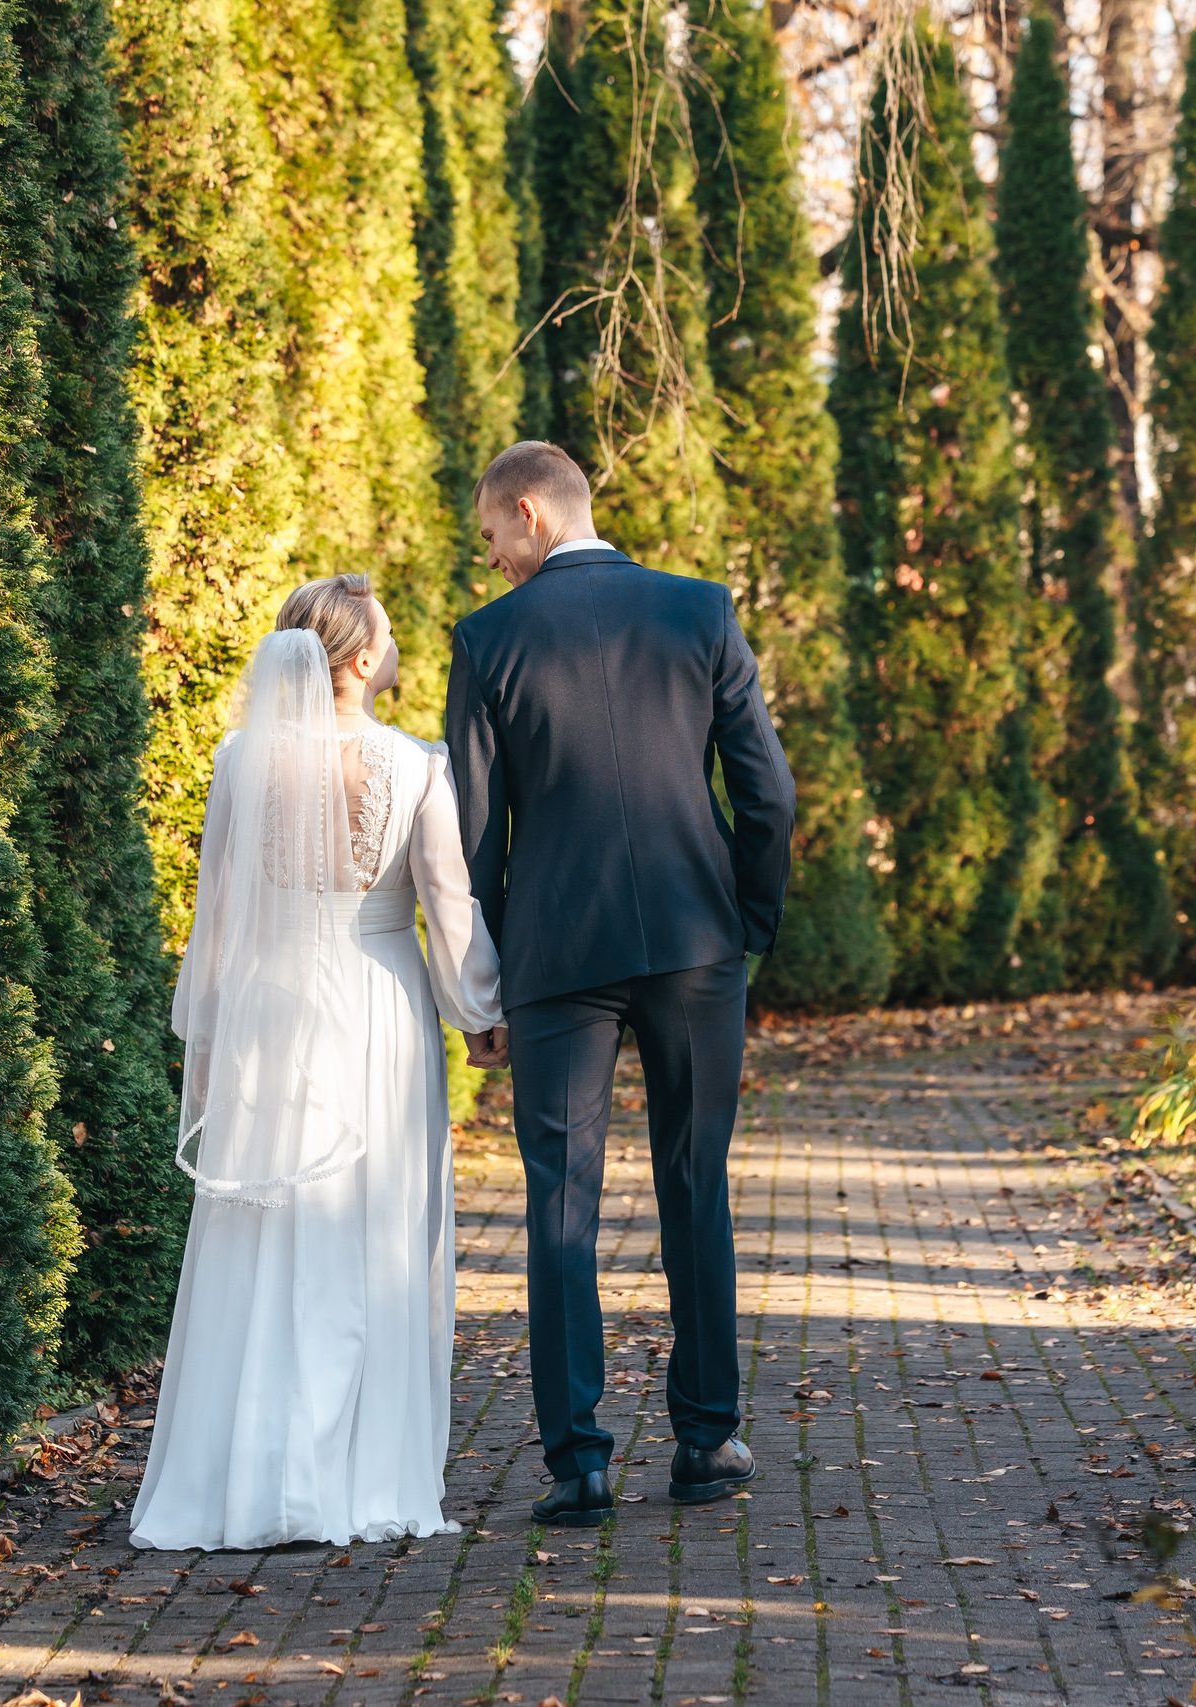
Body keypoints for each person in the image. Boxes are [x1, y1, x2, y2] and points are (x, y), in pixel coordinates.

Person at [446, 441, 797, 1527]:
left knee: (560, 1202)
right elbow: (767, 794)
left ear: (528, 513)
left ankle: (578, 1463)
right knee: (698, 1182)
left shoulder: (489, 639)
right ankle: (707, 1440)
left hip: (555, 960)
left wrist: (490, 982)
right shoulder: (698, 611)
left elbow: (472, 834)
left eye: (492, 536)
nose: (491, 558)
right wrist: (748, 923)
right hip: (697, 947)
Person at [131, 576, 502, 1551]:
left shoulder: (238, 760)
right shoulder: (417, 765)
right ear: (354, 658)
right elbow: (448, 908)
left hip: (271, 1011)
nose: (390, 648)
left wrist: (208, 1045)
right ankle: (355, 1473)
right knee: (375, 1229)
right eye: (382, 634)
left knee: (268, 1235)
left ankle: (251, 1476)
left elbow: (216, 918)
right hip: (379, 1008)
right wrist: (480, 1016)